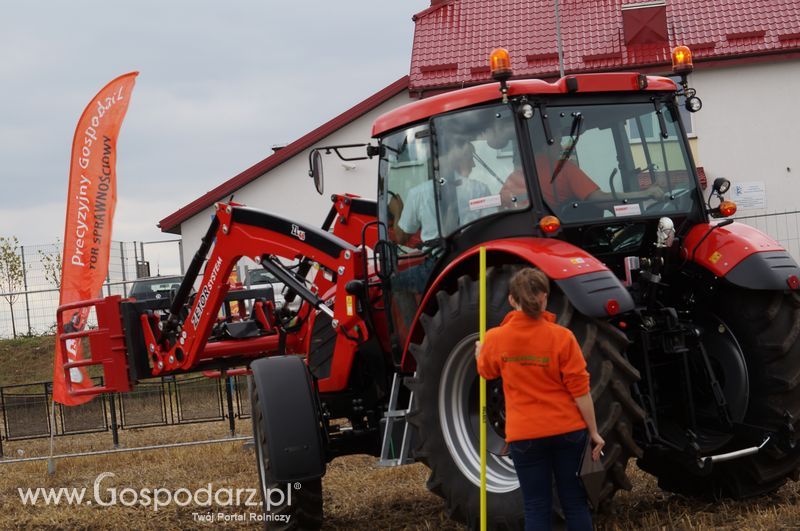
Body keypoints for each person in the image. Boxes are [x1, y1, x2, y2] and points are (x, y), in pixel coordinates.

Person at [475, 268, 603, 531]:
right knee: (575, 503)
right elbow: (580, 391)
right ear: (545, 297)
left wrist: (480, 353)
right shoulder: (562, 337)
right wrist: (593, 432)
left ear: (512, 299)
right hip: (568, 432)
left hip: (525, 436)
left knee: (535, 506)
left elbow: (487, 372)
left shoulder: (496, 338)